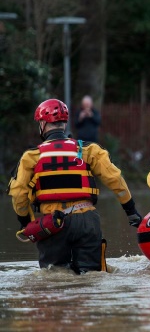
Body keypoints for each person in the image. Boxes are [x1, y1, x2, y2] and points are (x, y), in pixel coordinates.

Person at [8, 99, 142, 274]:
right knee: (92, 276)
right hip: (87, 221)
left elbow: (19, 194)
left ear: (42, 124)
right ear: (64, 124)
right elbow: (115, 179)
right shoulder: (89, 150)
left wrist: (25, 223)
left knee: (54, 277)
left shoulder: (31, 156)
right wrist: (131, 211)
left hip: (52, 223)